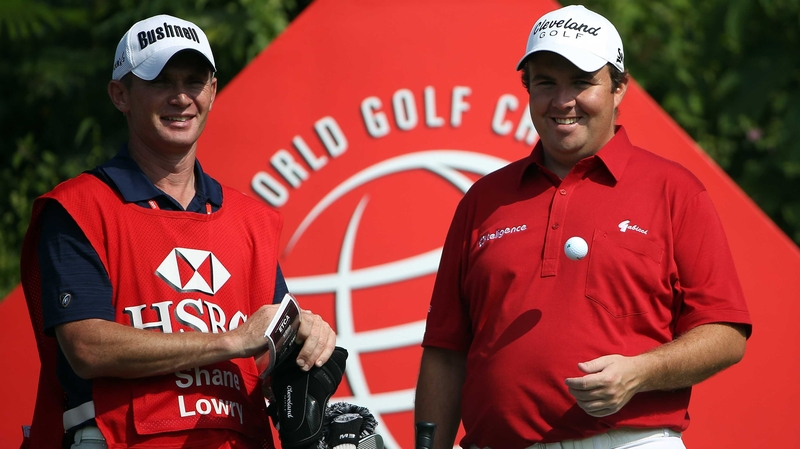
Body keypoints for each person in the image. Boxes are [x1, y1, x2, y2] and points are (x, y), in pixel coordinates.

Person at [414, 5, 752, 449]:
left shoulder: (674, 190)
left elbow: (726, 333)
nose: (562, 100)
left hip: (629, 441)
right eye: (546, 83)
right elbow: (446, 350)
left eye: (581, 82)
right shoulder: (483, 199)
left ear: (619, 88)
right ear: (528, 90)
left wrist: (640, 373)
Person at [20, 14, 336, 449]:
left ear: (213, 90)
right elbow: (87, 347)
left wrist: (308, 344)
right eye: (161, 82)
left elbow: (269, 350)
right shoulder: (80, 207)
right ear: (120, 95)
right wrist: (232, 340)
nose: (181, 97)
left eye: (194, 81)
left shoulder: (253, 220)